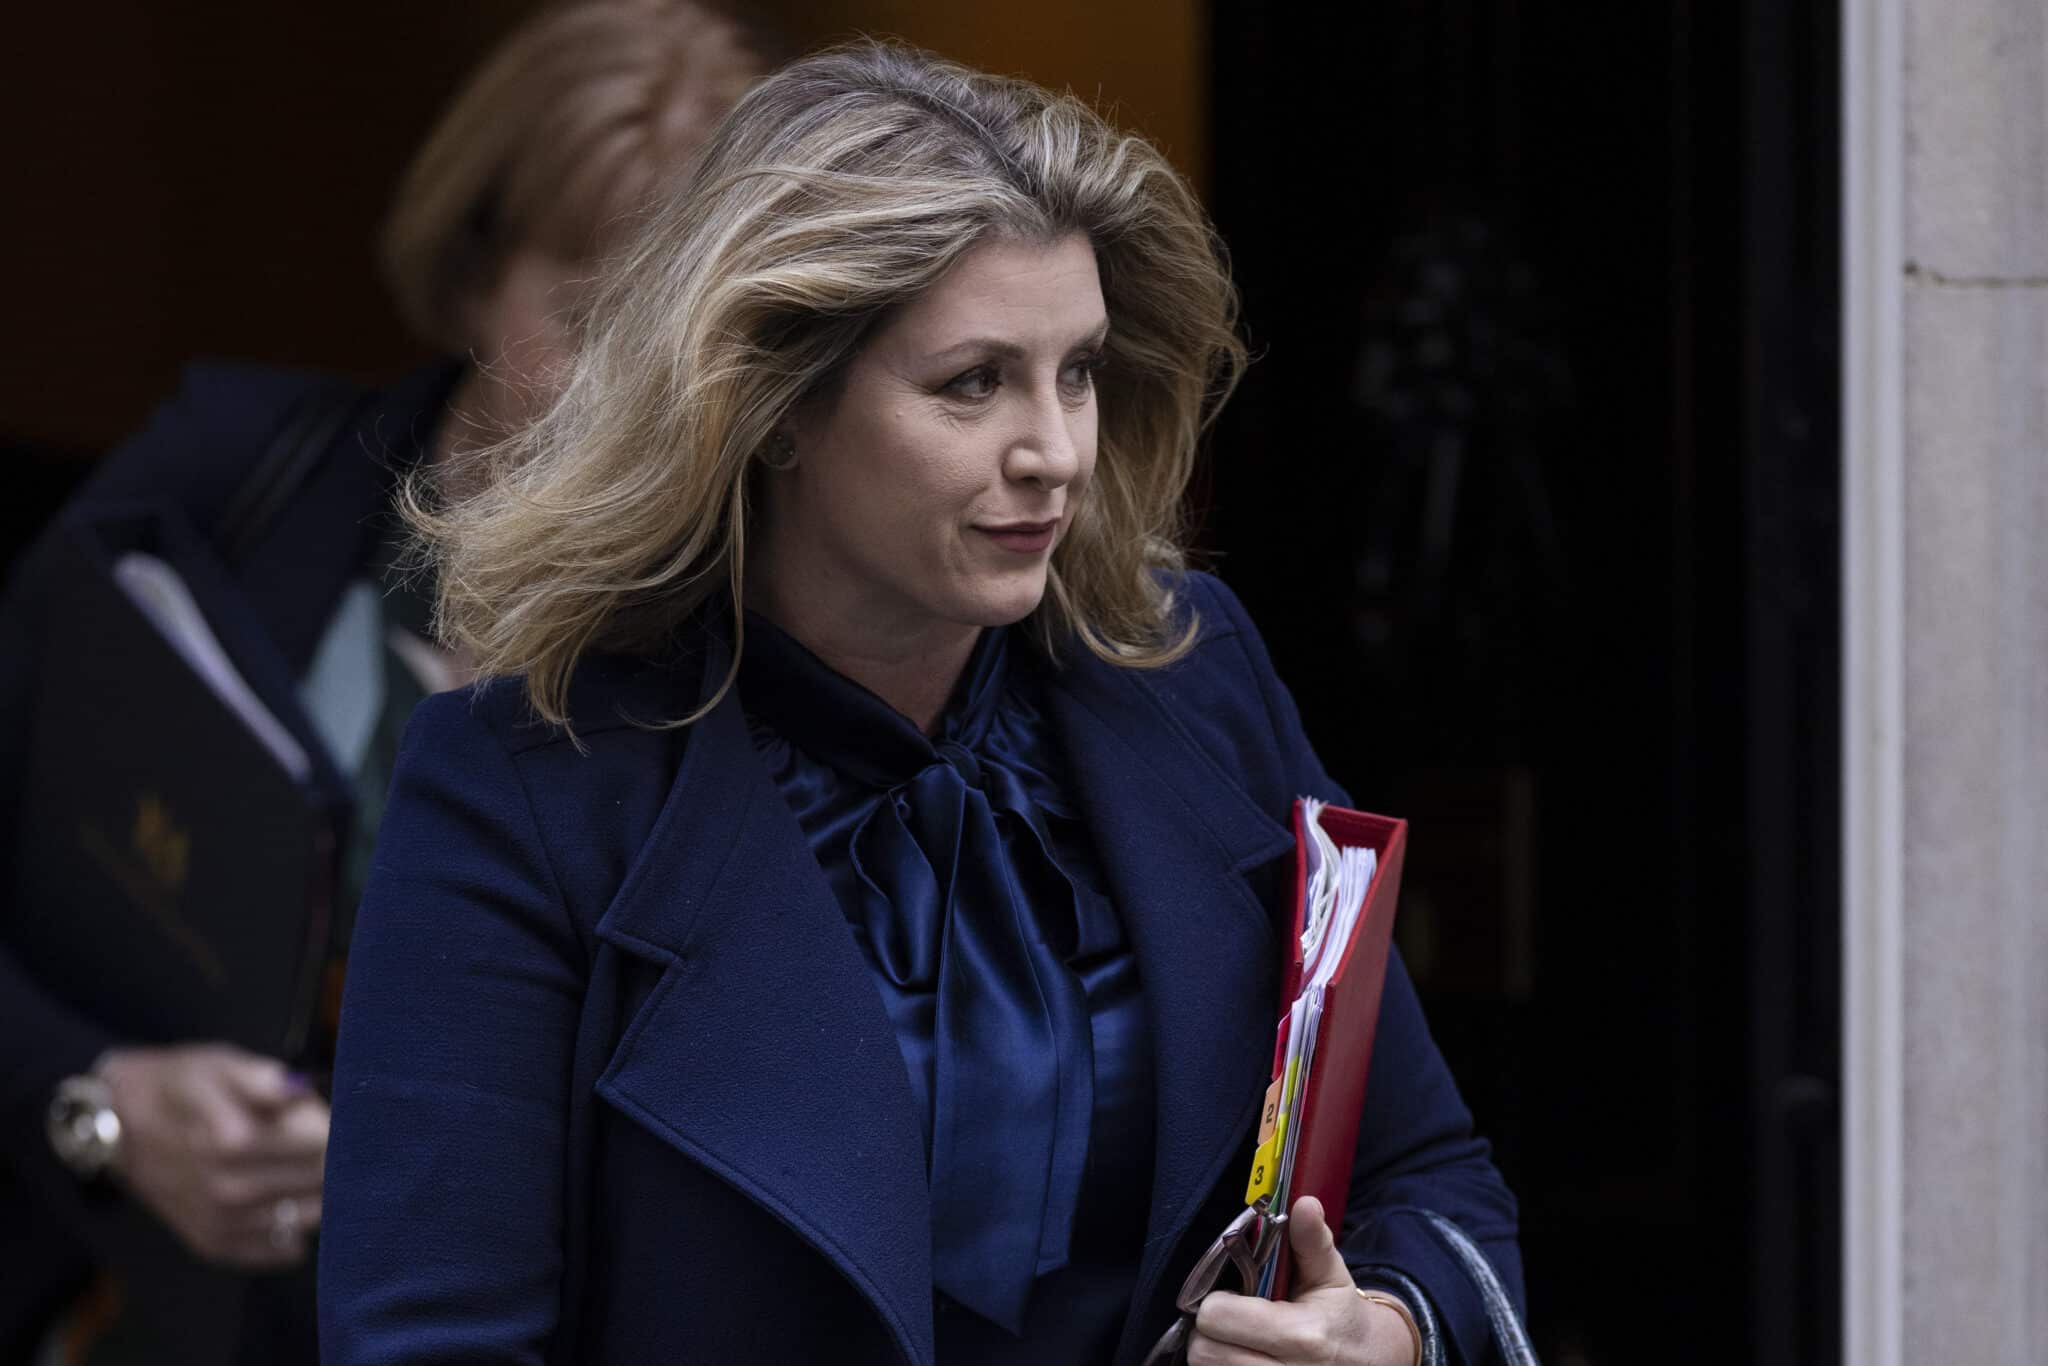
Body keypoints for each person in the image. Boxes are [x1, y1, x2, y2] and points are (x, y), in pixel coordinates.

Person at [318, 42, 1527, 1366]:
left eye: (1078, 370)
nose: (1056, 451)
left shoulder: (1192, 675)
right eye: (974, 383)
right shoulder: (521, 782)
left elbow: (1432, 1174)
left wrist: (1391, 1329)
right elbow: (433, 1341)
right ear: (770, 404)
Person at [0, 4, 770, 1360]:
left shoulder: (756, 650)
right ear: (473, 273)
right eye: (589, 318)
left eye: (696, 336)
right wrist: (100, 1097)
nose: (639, 394)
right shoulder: (229, 484)